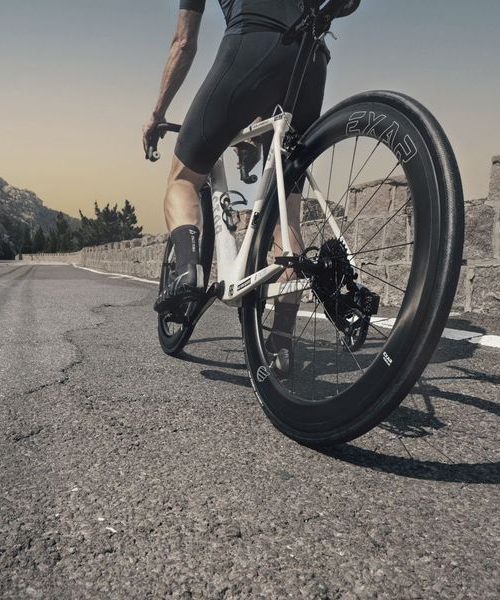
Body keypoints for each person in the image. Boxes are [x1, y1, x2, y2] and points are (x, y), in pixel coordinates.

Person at [143, 0, 359, 371]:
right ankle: (282, 344)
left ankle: (188, 273)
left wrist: (157, 114)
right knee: (286, 221)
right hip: (310, 62)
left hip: (252, 43)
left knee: (182, 179)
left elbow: (183, 43)